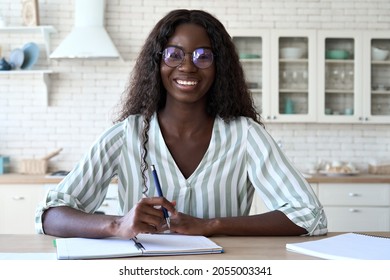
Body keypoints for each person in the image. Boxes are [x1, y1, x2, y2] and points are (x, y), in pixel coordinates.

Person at [35, 9, 327, 238]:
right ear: (157, 63)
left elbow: (309, 215)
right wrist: (117, 225)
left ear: (219, 67)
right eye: (174, 54)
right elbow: (49, 215)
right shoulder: (127, 135)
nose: (187, 66)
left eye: (203, 56)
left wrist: (211, 225)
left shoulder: (245, 135)